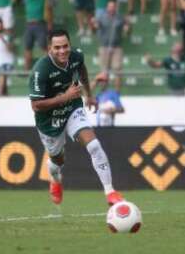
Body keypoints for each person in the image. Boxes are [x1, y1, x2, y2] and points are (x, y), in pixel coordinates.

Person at [28, 29, 124, 206]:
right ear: (49, 48)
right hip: (49, 121)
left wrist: (89, 95)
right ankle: (55, 180)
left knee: (94, 145)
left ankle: (110, 192)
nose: (62, 51)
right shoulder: (40, 71)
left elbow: (82, 71)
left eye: (65, 46)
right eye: (57, 47)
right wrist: (65, 96)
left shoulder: (76, 57)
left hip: (72, 108)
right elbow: (35, 105)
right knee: (58, 160)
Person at [13, 0, 63, 70]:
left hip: (40, 24)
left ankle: (51, 68)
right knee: (27, 47)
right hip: (29, 25)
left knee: (45, 47)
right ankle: (26, 71)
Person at [91, 0, 129, 88]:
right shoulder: (101, 17)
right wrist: (93, 24)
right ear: (107, 8)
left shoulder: (120, 17)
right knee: (104, 71)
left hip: (117, 47)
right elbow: (95, 29)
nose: (111, 8)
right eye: (110, 6)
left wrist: (128, 26)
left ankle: (116, 94)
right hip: (104, 47)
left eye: (113, 6)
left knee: (118, 71)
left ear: (115, 7)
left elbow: (127, 31)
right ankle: (103, 93)